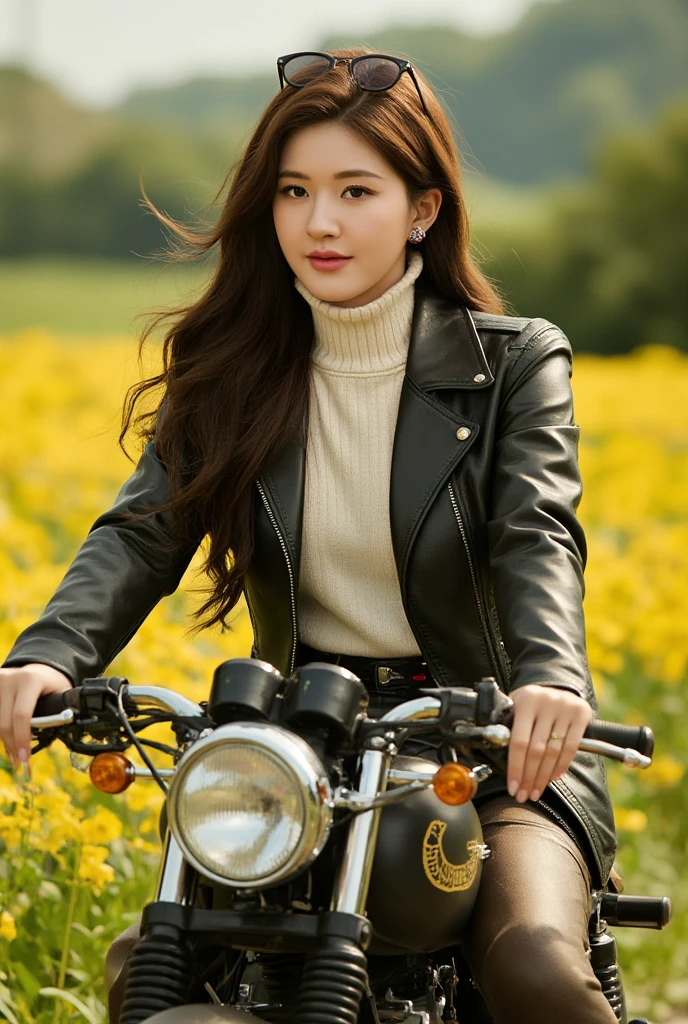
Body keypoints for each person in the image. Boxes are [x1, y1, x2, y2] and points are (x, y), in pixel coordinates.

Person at [0, 47, 619, 1023]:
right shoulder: (232, 368)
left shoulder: (511, 364)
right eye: (293, 190)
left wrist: (551, 681)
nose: (318, 221)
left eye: (354, 190)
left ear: (422, 208)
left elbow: (534, 532)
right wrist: (47, 656)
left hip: (492, 743)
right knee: (147, 968)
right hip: (299, 748)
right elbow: (140, 531)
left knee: (535, 972)